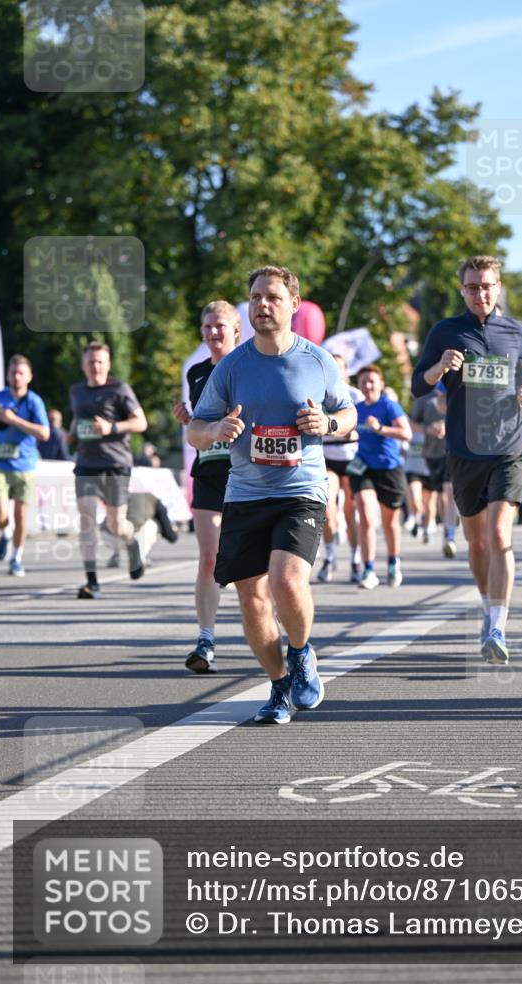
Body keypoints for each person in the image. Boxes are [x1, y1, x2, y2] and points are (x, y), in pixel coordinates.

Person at [188, 265, 356, 724]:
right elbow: (194, 431)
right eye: (256, 297)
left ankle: (301, 652)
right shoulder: (232, 367)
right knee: (251, 597)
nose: (263, 305)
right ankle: (279, 685)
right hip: (245, 493)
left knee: (284, 580)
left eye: (273, 297)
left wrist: (329, 424)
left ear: (293, 305)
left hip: (301, 490)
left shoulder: (317, 360)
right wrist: (216, 429)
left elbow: (348, 414)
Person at [411, 255, 522, 664]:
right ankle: (487, 606)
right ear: (462, 290)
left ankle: (498, 624)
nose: (480, 293)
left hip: (508, 447)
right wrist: (439, 368)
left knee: (500, 535)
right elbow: (417, 385)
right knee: (477, 541)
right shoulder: (445, 331)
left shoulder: (514, 331)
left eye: (487, 286)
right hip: (465, 449)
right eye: (472, 287)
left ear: (498, 287)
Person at [173, 300, 241, 672]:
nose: (213, 333)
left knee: (252, 563)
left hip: (246, 474)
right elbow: (197, 429)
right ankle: (206, 638)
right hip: (209, 472)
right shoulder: (197, 372)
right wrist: (189, 421)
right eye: (207, 328)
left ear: (235, 330)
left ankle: (272, 632)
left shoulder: (248, 366)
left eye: (220, 326)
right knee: (210, 559)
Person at [68, 341, 148, 599]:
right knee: (86, 520)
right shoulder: (76, 390)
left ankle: (131, 542)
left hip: (115, 464)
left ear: (108, 364)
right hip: (86, 464)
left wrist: (111, 428)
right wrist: (71, 433)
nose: (95, 366)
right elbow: (79, 416)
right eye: (91, 362)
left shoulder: (119, 389)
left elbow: (141, 422)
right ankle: (92, 582)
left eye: (100, 361)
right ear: (83, 365)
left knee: (116, 524)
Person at [348, 364, 412, 590]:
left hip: (389, 468)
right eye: (363, 381)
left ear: (381, 384)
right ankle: (368, 569)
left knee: (390, 521)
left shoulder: (389, 406)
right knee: (365, 514)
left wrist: (380, 428)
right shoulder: (356, 409)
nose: (367, 385)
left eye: (372, 381)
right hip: (363, 467)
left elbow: (406, 433)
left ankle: (394, 562)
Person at [0, 355, 50, 577]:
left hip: (25, 466)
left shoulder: (33, 401)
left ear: (29, 376)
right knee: (0, 515)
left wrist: (14, 420)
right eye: (12, 373)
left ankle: (16, 558)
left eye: (20, 373)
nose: (16, 377)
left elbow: (45, 433)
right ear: (7, 375)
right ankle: (5, 532)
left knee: (20, 515)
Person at [316, 353, 364, 583]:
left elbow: (367, 422)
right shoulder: (318, 393)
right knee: (326, 508)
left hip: (353, 459)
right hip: (328, 458)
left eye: (339, 367)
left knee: (351, 511)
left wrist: (353, 431)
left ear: (346, 371)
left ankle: (356, 560)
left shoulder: (355, 395)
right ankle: (330, 557)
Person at [410, 387, 459, 556]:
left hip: (454, 452)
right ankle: (442, 525)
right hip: (431, 455)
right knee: (435, 497)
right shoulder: (424, 397)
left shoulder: (461, 394)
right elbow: (411, 423)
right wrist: (428, 429)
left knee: (448, 493)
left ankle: (450, 536)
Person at [101, 492, 179, 568]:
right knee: (154, 523)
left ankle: (116, 554)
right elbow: (167, 529)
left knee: (116, 519)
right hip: (135, 537)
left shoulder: (119, 494)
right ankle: (142, 556)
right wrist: (174, 534)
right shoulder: (152, 498)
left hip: (108, 535)